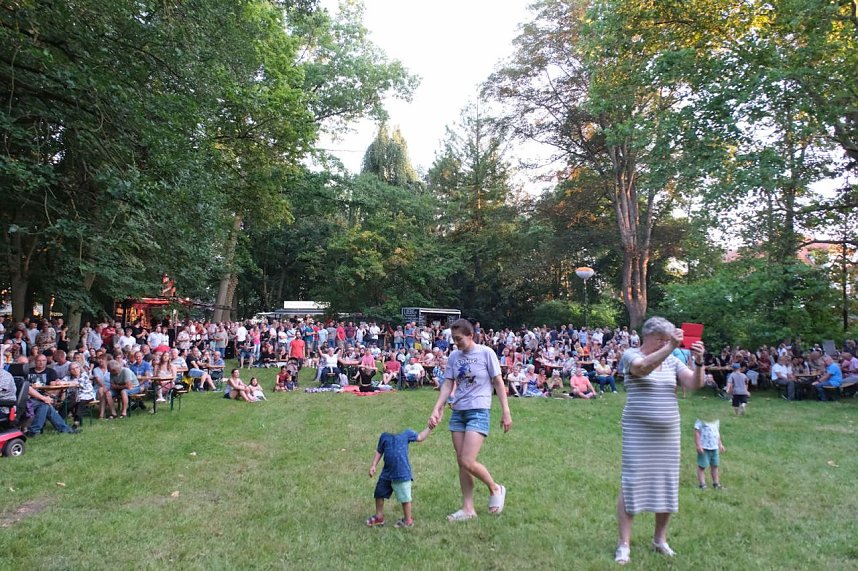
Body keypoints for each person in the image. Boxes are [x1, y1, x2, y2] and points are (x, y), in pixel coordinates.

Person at [614, 316, 705, 565]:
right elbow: (642, 368)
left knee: (667, 483)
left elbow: (695, 384)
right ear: (651, 337)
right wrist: (671, 347)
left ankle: (660, 539)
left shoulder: (672, 360)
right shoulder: (630, 355)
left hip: (668, 433)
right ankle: (623, 544)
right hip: (638, 430)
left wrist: (699, 361)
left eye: (668, 339)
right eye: (662, 340)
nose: (667, 343)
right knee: (631, 482)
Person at [428, 319, 511, 522]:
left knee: (468, 460)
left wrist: (506, 411)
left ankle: (495, 488)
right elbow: (448, 384)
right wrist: (437, 408)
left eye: (459, 339)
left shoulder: (486, 353)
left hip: (479, 410)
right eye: (453, 339)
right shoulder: (454, 356)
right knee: (461, 463)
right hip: (458, 412)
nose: (456, 343)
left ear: (471, 335)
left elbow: (498, 383)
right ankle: (468, 509)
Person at [366, 426, 433, 528]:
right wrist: (373, 465)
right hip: (387, 473)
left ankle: (408, 520)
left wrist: (430, 428)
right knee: (379, 493)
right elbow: (379, 451)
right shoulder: (384, 436)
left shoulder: (407, 433)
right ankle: (379, 517)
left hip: (402, 473)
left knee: (405, 498)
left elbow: (420, 437)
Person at [694, 418, 725, 490]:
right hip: (704, 448)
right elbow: (697, 432)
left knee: (715, 466)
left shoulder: (716, 420)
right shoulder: (701, 420)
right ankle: (702, 484)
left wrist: (720, 444)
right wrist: (698, 445)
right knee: (702, 466)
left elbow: (717, 433)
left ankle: (716, 483)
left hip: (714, 447)